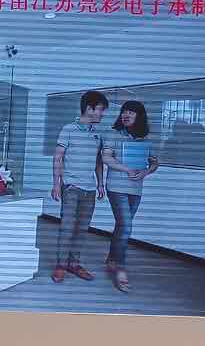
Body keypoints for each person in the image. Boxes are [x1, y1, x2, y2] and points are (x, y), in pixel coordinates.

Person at [100, 100, 159, 293]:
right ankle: (120, 270)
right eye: (124, 111)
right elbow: (106, 157)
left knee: (122, 226)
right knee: (126, 226)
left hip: (136, 188)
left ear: (139, 116)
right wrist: (127, 169)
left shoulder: (145, 138)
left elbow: (154, 162)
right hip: (116, 186)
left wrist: (146, 172)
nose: (126, 115)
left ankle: (111, 258)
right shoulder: (113, 133)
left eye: (131, 112)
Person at [51, 91, 107, 282]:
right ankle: (60, 265)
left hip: (89, 189)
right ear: (89, 108)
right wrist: (56, 184)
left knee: (82, 228)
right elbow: (58, 157)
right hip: (71, 187)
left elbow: (99, 161)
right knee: (67, 227)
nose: (102, 114)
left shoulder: (97, 134)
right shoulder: (68, 129)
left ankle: (74, 264)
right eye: (100, 109)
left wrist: (100, 184)